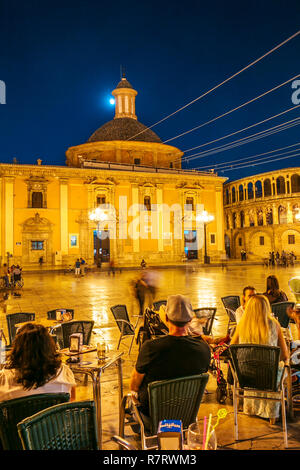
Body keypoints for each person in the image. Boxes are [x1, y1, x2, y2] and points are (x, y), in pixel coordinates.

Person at [130, 295, 211, 418]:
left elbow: (134, 385)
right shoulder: (204, 349)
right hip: (187, 412)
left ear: (166, 318)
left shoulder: (150, 348)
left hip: (154, 413)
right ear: (190, 320)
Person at [230, 295, 289, 424]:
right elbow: (285, 355)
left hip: (246, 376)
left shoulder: (241, 326)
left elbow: (232, 349)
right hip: (269, 377)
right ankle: (273, 413)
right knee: (282, 367)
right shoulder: (274, 325)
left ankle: (252, 408)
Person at [0, 323, 76, 402]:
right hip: (55, 414)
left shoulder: (4, 379)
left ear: (18, 349)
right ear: (49, 347)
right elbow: (71, 400)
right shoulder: (64, 372)